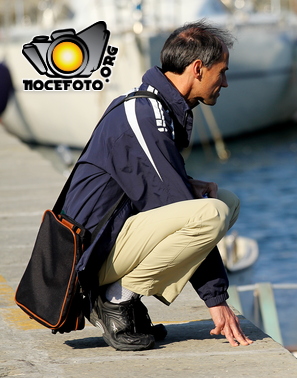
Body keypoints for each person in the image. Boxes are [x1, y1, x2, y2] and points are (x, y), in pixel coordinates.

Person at [62, 20, 252, 351]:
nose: (225, 82)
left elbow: (149, 187)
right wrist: (217, 298)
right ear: (197, 69)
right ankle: (116, 299)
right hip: (87, 258)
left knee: (226, 201)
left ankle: (126, 298)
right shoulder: (144, 115)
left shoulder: (153, 106)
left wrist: (188, 185)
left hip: (110, 240)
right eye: (221, 72)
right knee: (211, 214)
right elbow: (173, 204)